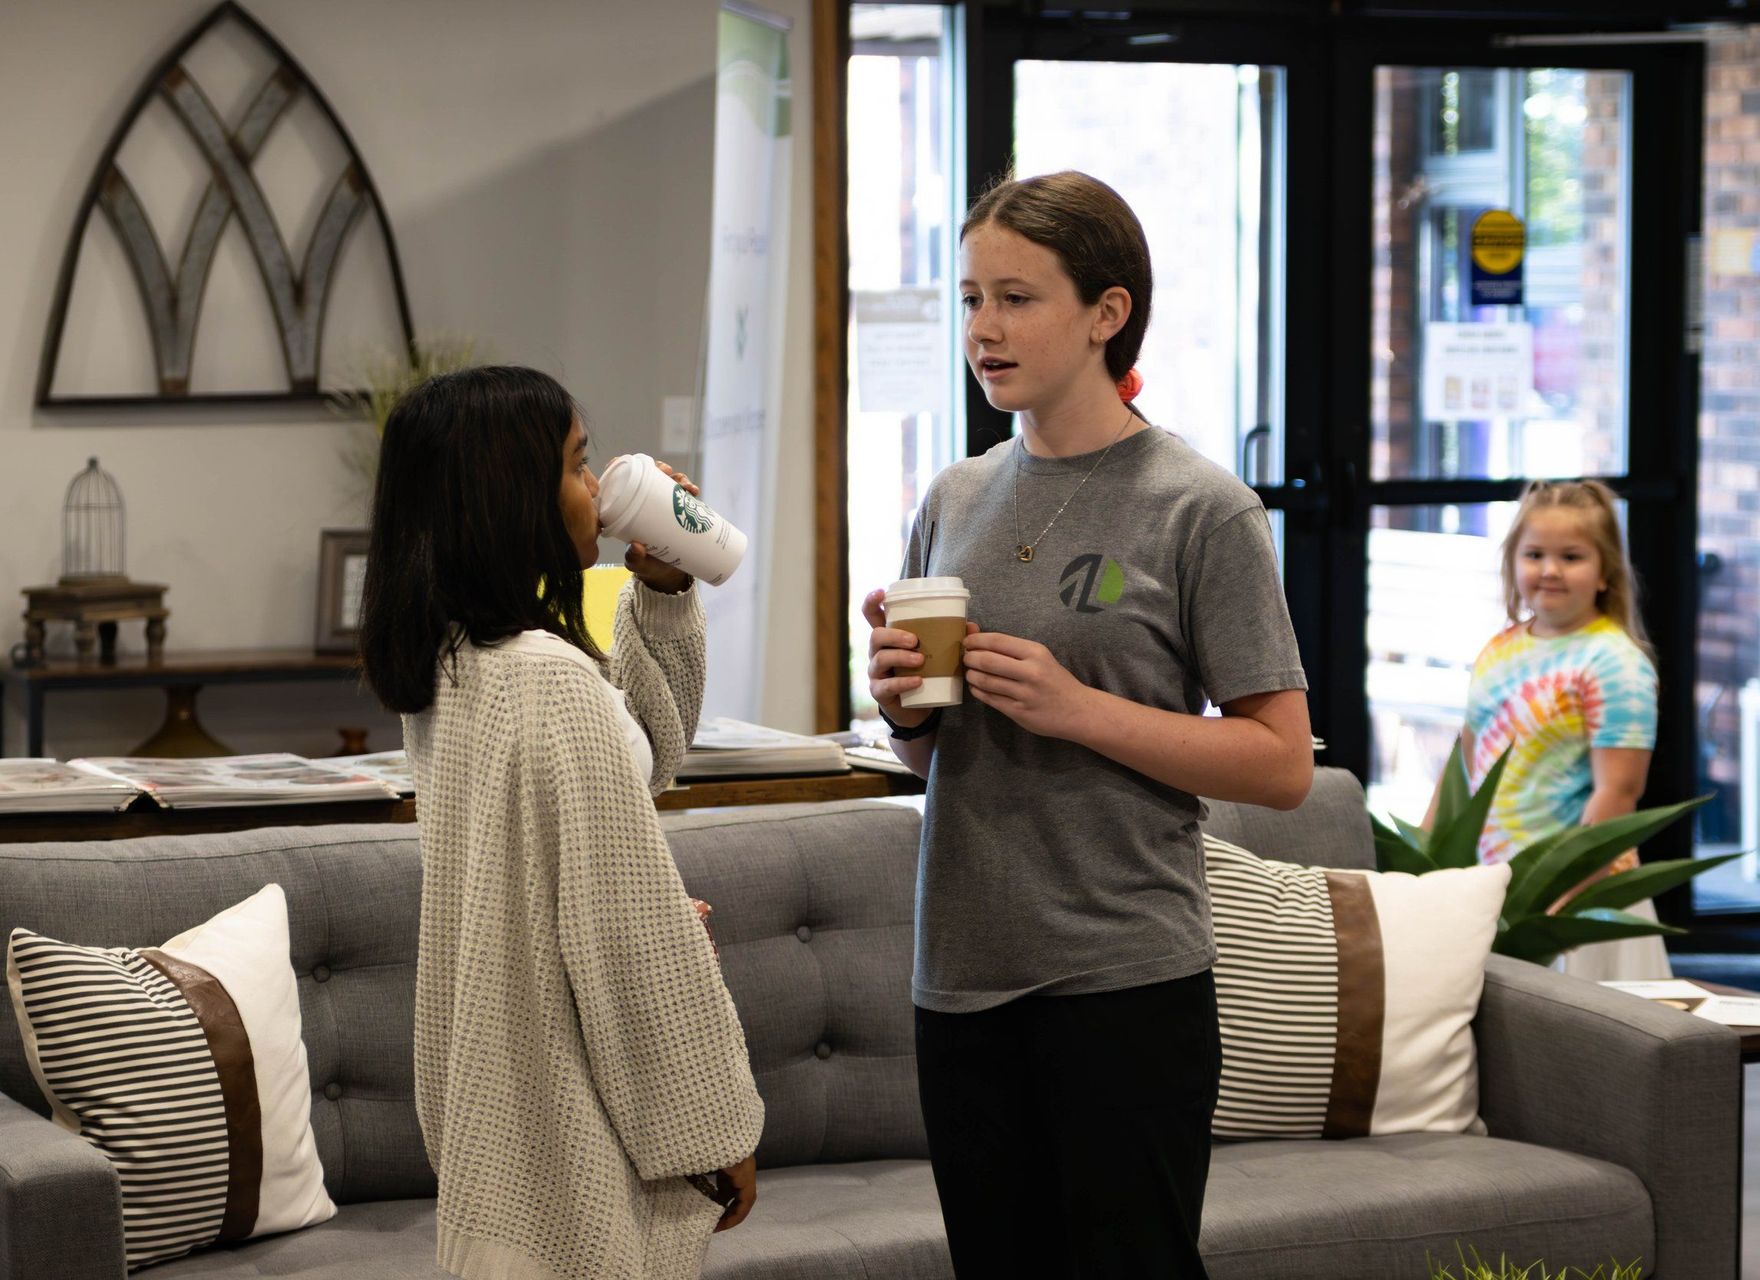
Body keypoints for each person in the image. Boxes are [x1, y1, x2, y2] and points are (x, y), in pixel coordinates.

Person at [864, 170, 1313, 1277]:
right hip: (960, 976)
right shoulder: (953, 497)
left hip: (1124, 981)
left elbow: (1281, 760)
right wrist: (897, 707)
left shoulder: (1199, 506)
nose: (984, 328)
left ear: (1107, 312)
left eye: (1017, 297)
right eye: (970, 298)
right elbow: (929, 756)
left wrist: (1080, 709)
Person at [358, 365, 763, 1280]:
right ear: (512, 497)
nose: (597, 487)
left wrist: (658, 592)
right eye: (579, 466)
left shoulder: (455, 668)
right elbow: (629, 940)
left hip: (497, 1096)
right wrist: (710, 1129)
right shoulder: (545, 679)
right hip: (570, 1098)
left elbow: (642, 755)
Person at [1423, 478, 1666, 981]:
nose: (1550, 570)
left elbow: (1617, 793)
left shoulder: (1615, 662)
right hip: (1498, 889)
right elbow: (1464, 763)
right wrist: (1424, 858)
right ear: (1513, 563)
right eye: (1534, 554)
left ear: (1605, 572)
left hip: (1582, 901)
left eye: (1572, 557)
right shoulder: (1499, 648)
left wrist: (1561, 899)